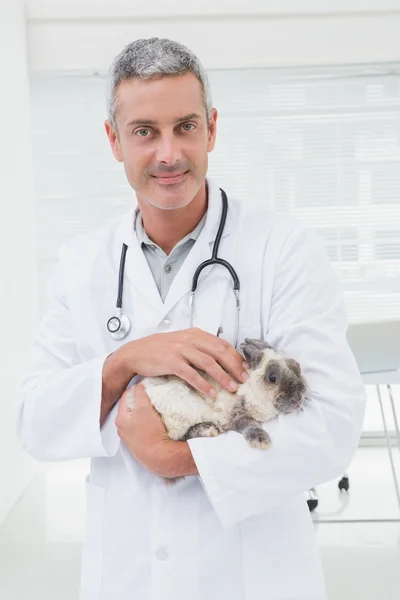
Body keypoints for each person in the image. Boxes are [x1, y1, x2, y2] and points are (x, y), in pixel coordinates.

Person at [16, 38, 366, 600]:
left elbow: (332, 425)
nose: (168, 153)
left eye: (185, 126)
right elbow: (35, 420)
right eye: (145, 131)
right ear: (114, 140)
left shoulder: (282, 249)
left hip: (254, 574)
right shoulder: (82, 263)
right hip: (128, 573)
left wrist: (177, 456)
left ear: (212, 129)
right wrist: (126, 360)